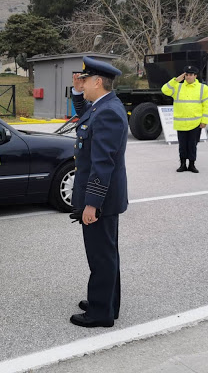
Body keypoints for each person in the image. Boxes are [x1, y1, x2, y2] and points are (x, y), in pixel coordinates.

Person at [69, 57, 128, 328]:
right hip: (105, 197)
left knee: (101, 256)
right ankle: (106, 302)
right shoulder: (104, 107)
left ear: (97, 81)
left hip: (101, 199)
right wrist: (76, 93)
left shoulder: (107, 112)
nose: (82, 83)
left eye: (85, 79)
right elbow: (84, 119)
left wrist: (91, 204)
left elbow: (103, 164)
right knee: (106, 253)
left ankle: (100, 313)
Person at [161, 65, 208, 173]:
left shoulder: (203, 88)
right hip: (181, 124)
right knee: (182, 145)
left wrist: (204, 121)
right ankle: (183, 164)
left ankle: (192, 165)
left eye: (191, 75)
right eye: (187, 75)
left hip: (195, 123)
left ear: (195, 76)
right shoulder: (178, 87)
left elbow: (207, 105)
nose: (189, 77)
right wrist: (176, 80)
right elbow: (164, 90)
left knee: (192, 145)